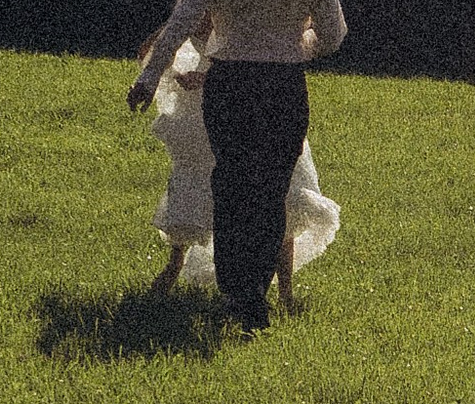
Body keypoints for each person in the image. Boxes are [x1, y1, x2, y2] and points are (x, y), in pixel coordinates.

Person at [127, 0, 346, 328]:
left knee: (230, 186)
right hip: (284, 87)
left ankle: (237, 293)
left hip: (229, 85)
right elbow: (333, 36)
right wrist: (297, 44)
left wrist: (147, 80)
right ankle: (255, 297)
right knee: (270, 190)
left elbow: (181, 25)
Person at [143, 31, 341, 307]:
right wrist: (175, 71)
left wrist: (210, 78)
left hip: (255, 101)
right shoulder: (197, 7)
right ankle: (176, 264)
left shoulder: (254, 7)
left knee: (284, 193)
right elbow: (156, 48)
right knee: (196, 185)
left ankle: (285, 290)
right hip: (204, 110)